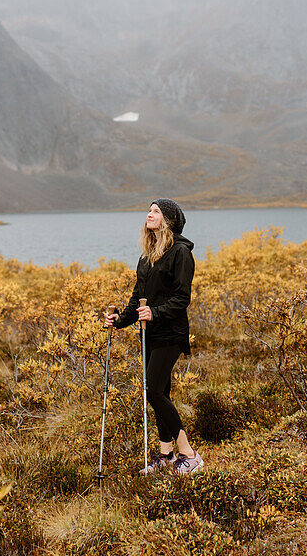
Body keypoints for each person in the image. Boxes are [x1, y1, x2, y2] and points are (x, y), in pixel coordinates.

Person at [105, 199, 204, 475]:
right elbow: (138, 298)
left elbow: (182, 299)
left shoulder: (181, 253)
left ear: (169, 220)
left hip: (171, 333)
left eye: (156, 211)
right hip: (149, 334)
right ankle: (165, 455)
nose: (149, 214)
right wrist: (120, 320)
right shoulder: (147, 255)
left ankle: (189, 454)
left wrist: (155, 313)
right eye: (149, 210)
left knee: (153, 391)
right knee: (161, 392)